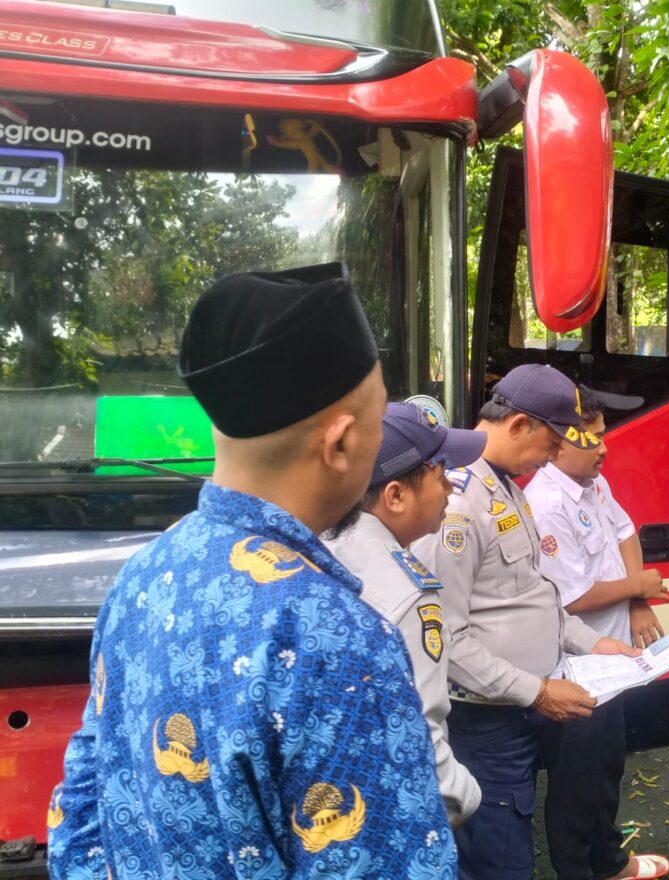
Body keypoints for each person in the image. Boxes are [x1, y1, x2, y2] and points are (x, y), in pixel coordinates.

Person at [48, 264, 456, 878]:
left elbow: (81, 806)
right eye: (378, 419)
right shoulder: (339, 640)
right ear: (341, 442)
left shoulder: (141, 576)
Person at [412, 363, 639, 880]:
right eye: (552, 443)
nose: (555, 455)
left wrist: (592, 643)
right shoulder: (457, 504)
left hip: (522, 705)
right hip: (486, 719)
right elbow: (445, 639)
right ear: (518, 425)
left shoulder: (506, 488)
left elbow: (532, 596)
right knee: (499, 860)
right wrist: (537, 693)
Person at [527, 386, 669, 880]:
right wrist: (638, 584)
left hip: (611, 662)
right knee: (575, 785)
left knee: (607, 769)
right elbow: (568, 599)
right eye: (590, 438)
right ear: (557, 443)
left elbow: (625, 532)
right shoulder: (547, 504)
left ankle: (610, 863)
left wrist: (637, 601)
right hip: (575, 668)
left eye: (603, 435)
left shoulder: (592, 482)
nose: (604, 448)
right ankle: (578, 870)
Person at [324, 402, 488, 826]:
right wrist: (468, 796)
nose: (450, 488)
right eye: (440, 472)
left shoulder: (320, 547)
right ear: (396, 495)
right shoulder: (410, 596)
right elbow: (421, 746)